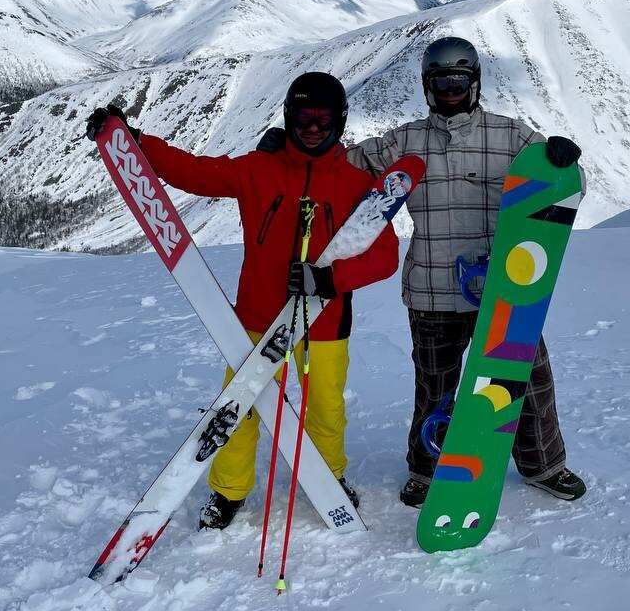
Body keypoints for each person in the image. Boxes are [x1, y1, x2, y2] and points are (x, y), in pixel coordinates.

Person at [258, 37, 586, 508]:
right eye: (441, 83)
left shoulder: (513, 137)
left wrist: (563, 160)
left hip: (505, 292)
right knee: (435, 386)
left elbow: (566, 186)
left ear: (474, 83)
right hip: (432, 288)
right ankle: (426, 471)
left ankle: (544, 466)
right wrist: (284, 151)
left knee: (528, 380)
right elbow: (333, 165)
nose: (450, 92)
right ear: (427, 87)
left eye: (458, 83)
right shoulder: (403, 142)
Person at [87, 71, 398, 530]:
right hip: (255, 317)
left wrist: (330, 279)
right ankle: (229, 490)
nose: (313, 128)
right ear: (288, 119)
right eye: (304, 118)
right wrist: (134, 143)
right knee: (241, 406)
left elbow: (386, 255)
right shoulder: (258, 170)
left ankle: (328, 480)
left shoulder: (355, 184)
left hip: (325, 321)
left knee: (326, 408)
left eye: (323, 119)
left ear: (340, 121)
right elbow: (193, 172)